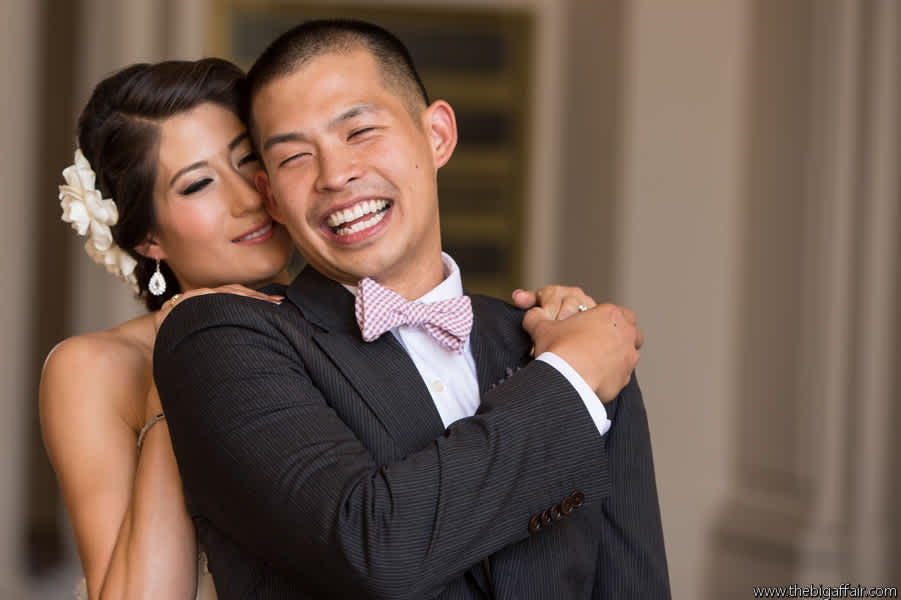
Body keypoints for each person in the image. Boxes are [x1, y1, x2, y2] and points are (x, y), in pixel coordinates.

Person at [39, 57, 594, 600]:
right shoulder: (96, 368)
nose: (247, 198)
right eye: (198, 184)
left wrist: (560, 342)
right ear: (148, 238)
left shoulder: (370, 319)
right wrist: (181, 373)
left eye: (251, 160)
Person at [154, 19, 669, 600]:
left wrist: (569, 366)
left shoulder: (561, 341)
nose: (335, 176)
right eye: (295, 156)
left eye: (360, 131)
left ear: (438, 135)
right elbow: (372, 547)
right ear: (271, 196)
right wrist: (569, 381)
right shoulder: (222, 339)